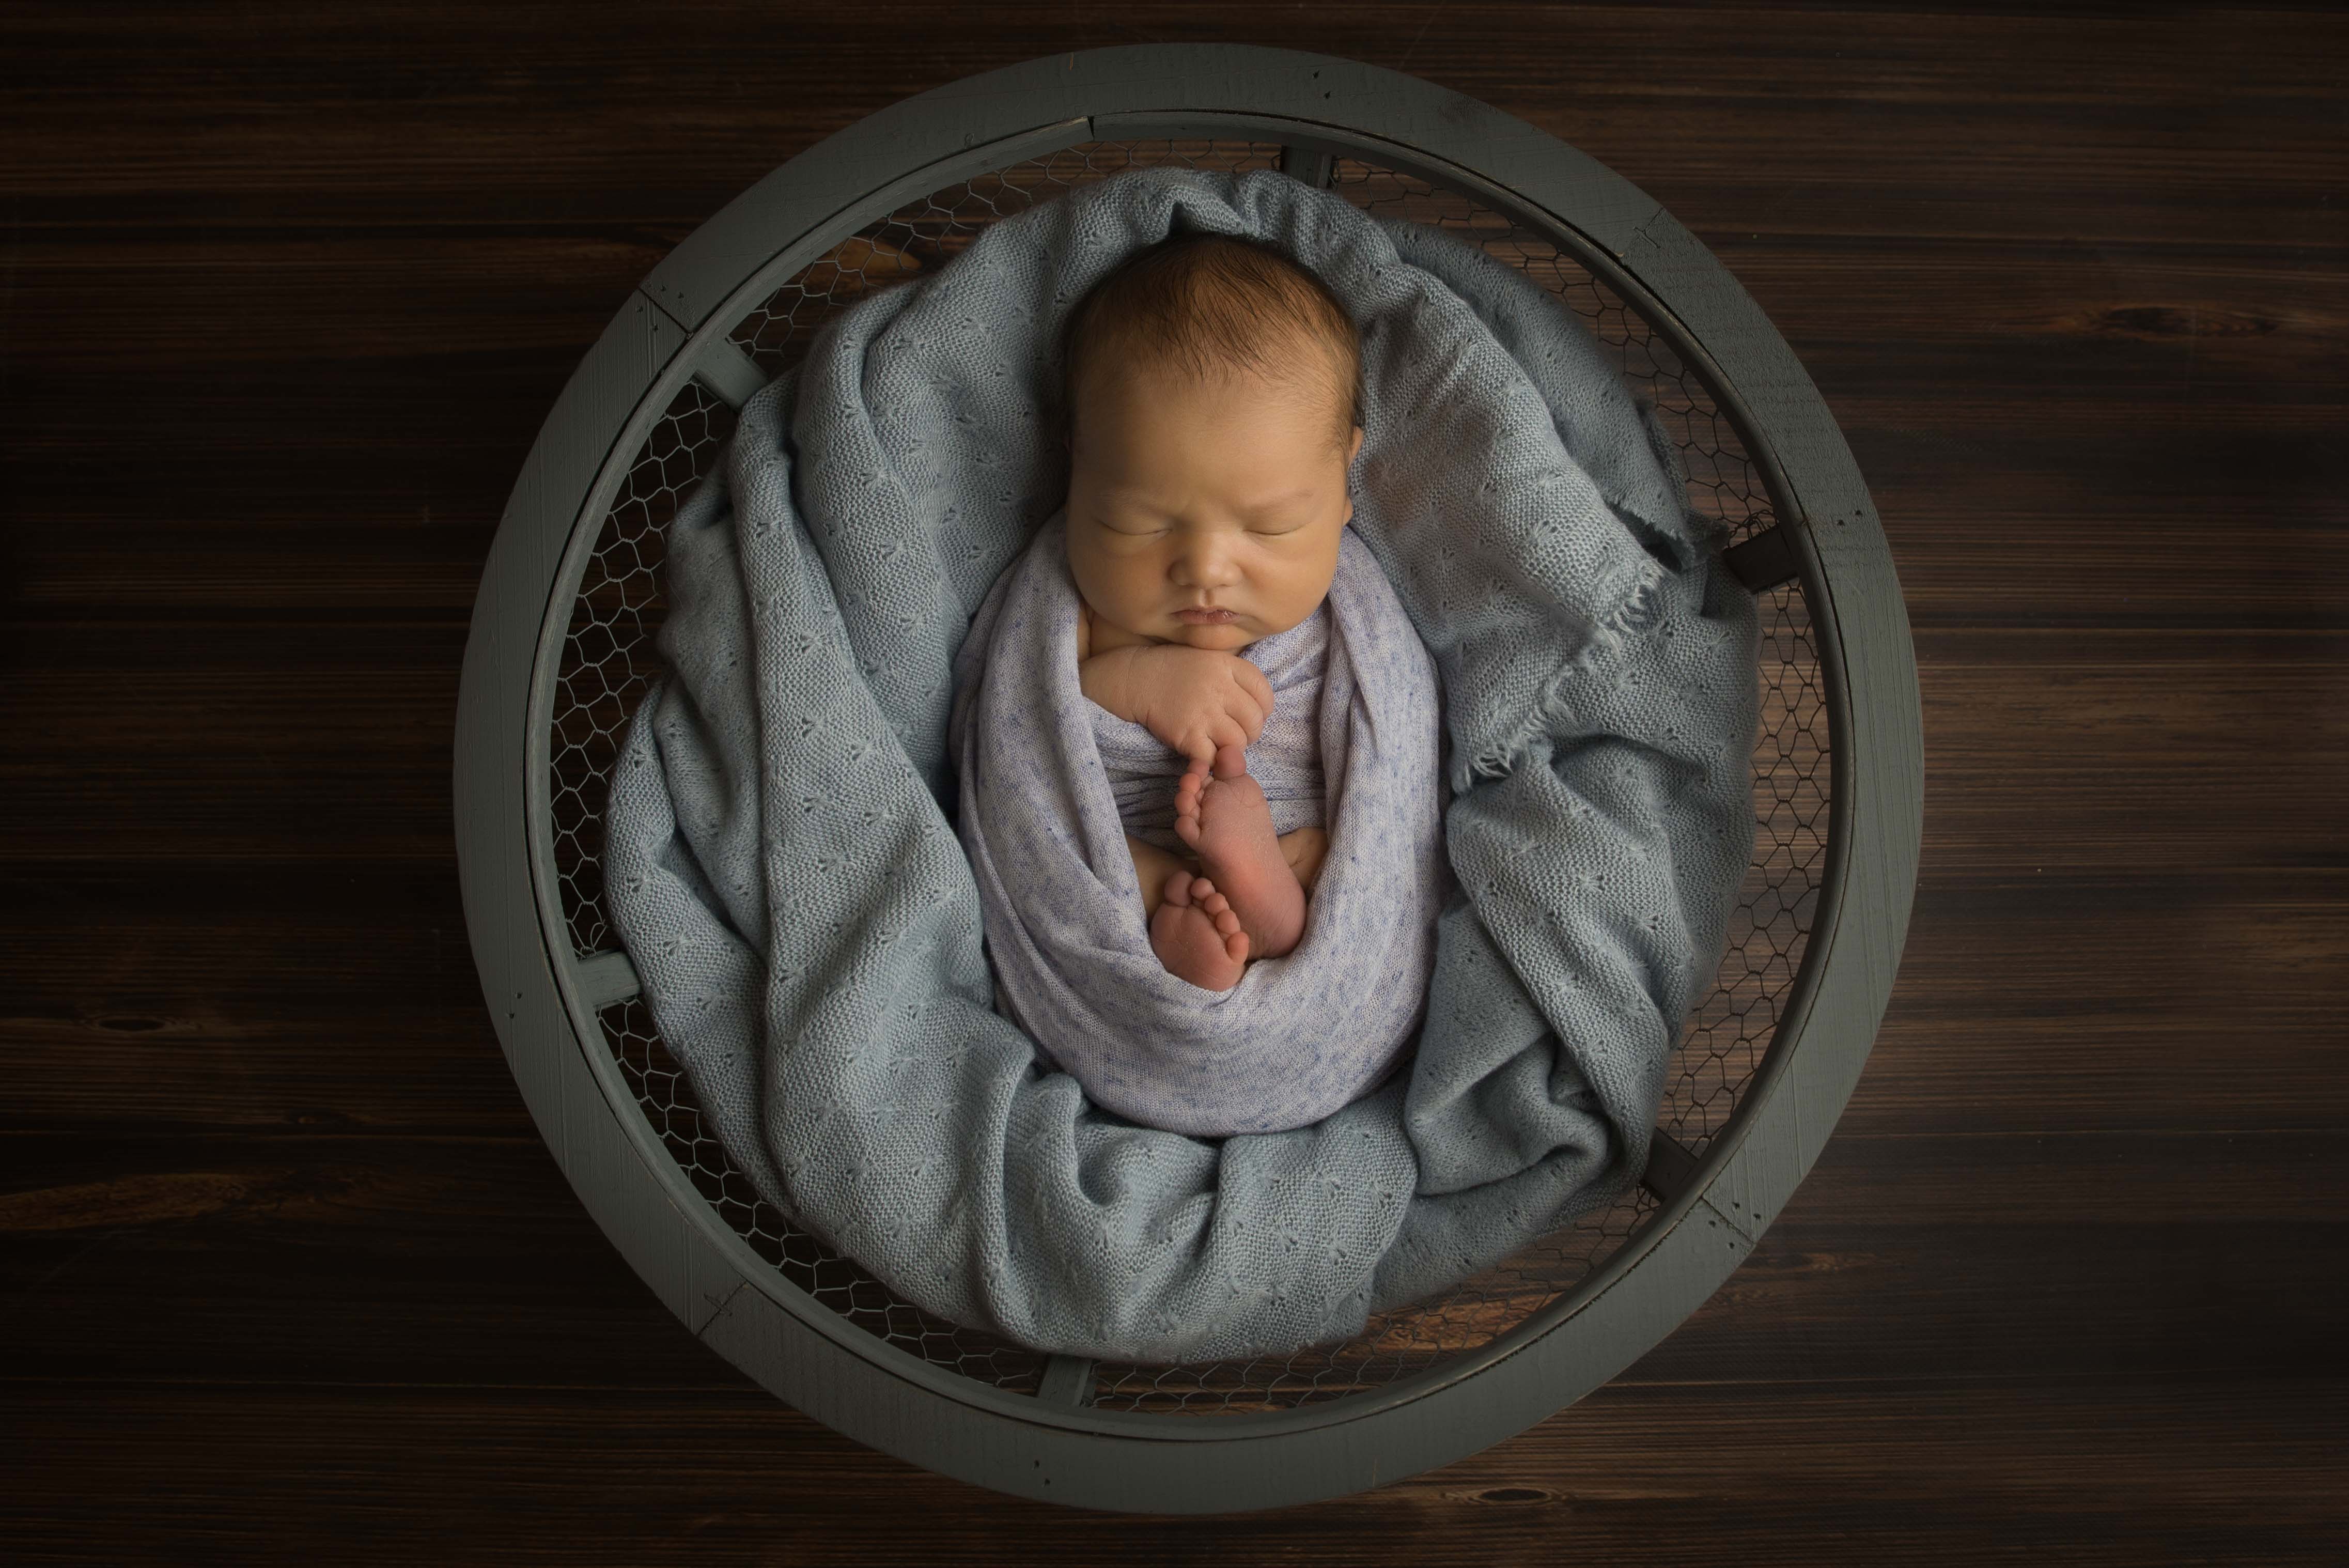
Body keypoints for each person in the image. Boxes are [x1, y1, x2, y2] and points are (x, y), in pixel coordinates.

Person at [1055, 230, 1365, 991]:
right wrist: (1133, 681)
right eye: (1143, 523)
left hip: (1292, 827)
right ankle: (1182, 908)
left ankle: (1270, 899)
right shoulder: (1081, 614)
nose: (1207, 571)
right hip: (1123, 838)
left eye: (1269, 528)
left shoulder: (1351, 621)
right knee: (1081, 856)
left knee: (1349, 849)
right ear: (1076, 469)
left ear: (1342, 477)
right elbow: (1020, 720)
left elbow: (1391, 755)